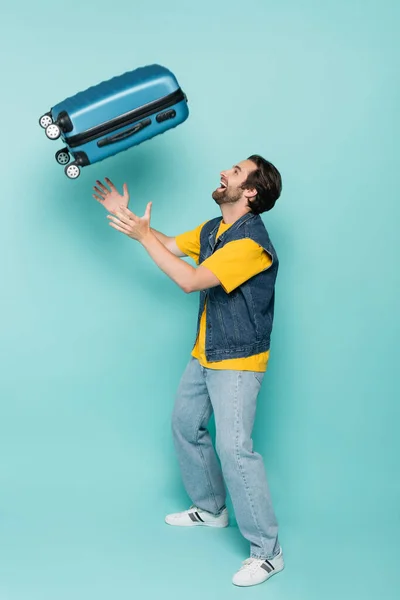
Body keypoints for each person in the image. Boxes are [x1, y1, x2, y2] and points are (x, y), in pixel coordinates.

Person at [92, 155, 284, 588]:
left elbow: (190, 280)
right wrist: (127, 217)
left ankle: (268, 552)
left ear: (250, 191)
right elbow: (169, 245)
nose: (224, 172)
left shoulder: (251, 245)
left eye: (235, 172)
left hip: (237, 360)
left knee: (235, 451)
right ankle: (212, 508)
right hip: (207, 351)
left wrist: (142, 238)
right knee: (184, 424)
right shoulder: (214, 230)